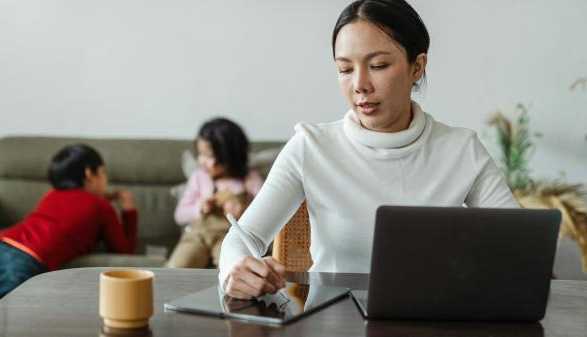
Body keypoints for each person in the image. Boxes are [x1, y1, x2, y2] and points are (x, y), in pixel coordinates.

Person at [219, 0, 519, 299]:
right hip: (332, 325)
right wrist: (237, 268)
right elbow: (243, 238)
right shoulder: (311, 146)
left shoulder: (461, 150)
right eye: (345, 69)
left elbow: (520, 243)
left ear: (417, 66)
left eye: (378, 66)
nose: (360, 84)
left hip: (430, 322)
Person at [0, 144, 137, 308]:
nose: (105, 179)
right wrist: (129, 211)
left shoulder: (51, 195)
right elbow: (123, 250)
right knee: (8, 319)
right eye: (102, 172)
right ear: (89, 174)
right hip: (25, 260)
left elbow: (71, 211)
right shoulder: (101, 207)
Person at [166, 118, 263, 268]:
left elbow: (265, 214)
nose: (202, 161)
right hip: (198, 236)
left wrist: (243, 214)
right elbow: (179, 215)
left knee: (232, 270)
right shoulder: (199, 177)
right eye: (200, 154)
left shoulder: (250, 180)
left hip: (230, 237)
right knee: (176, 267)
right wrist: (200, 207)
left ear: (230, 156)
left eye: (209, 156)